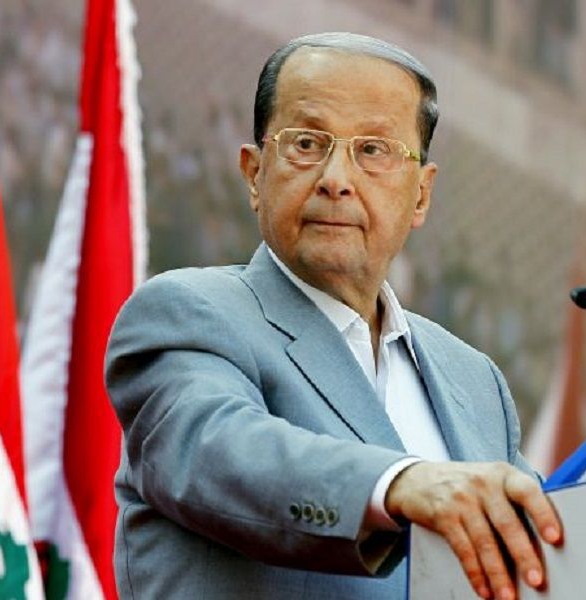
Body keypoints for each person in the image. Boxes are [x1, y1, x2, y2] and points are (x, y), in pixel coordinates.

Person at [105, 32, 562, 600]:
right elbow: (220, 450)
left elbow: (544, 546)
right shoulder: (187, 315)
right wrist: (402, 483)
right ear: (253, 173)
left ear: (421, 195)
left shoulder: (473, 379)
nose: (336, 179)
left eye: (373, 150)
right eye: (306, 143)